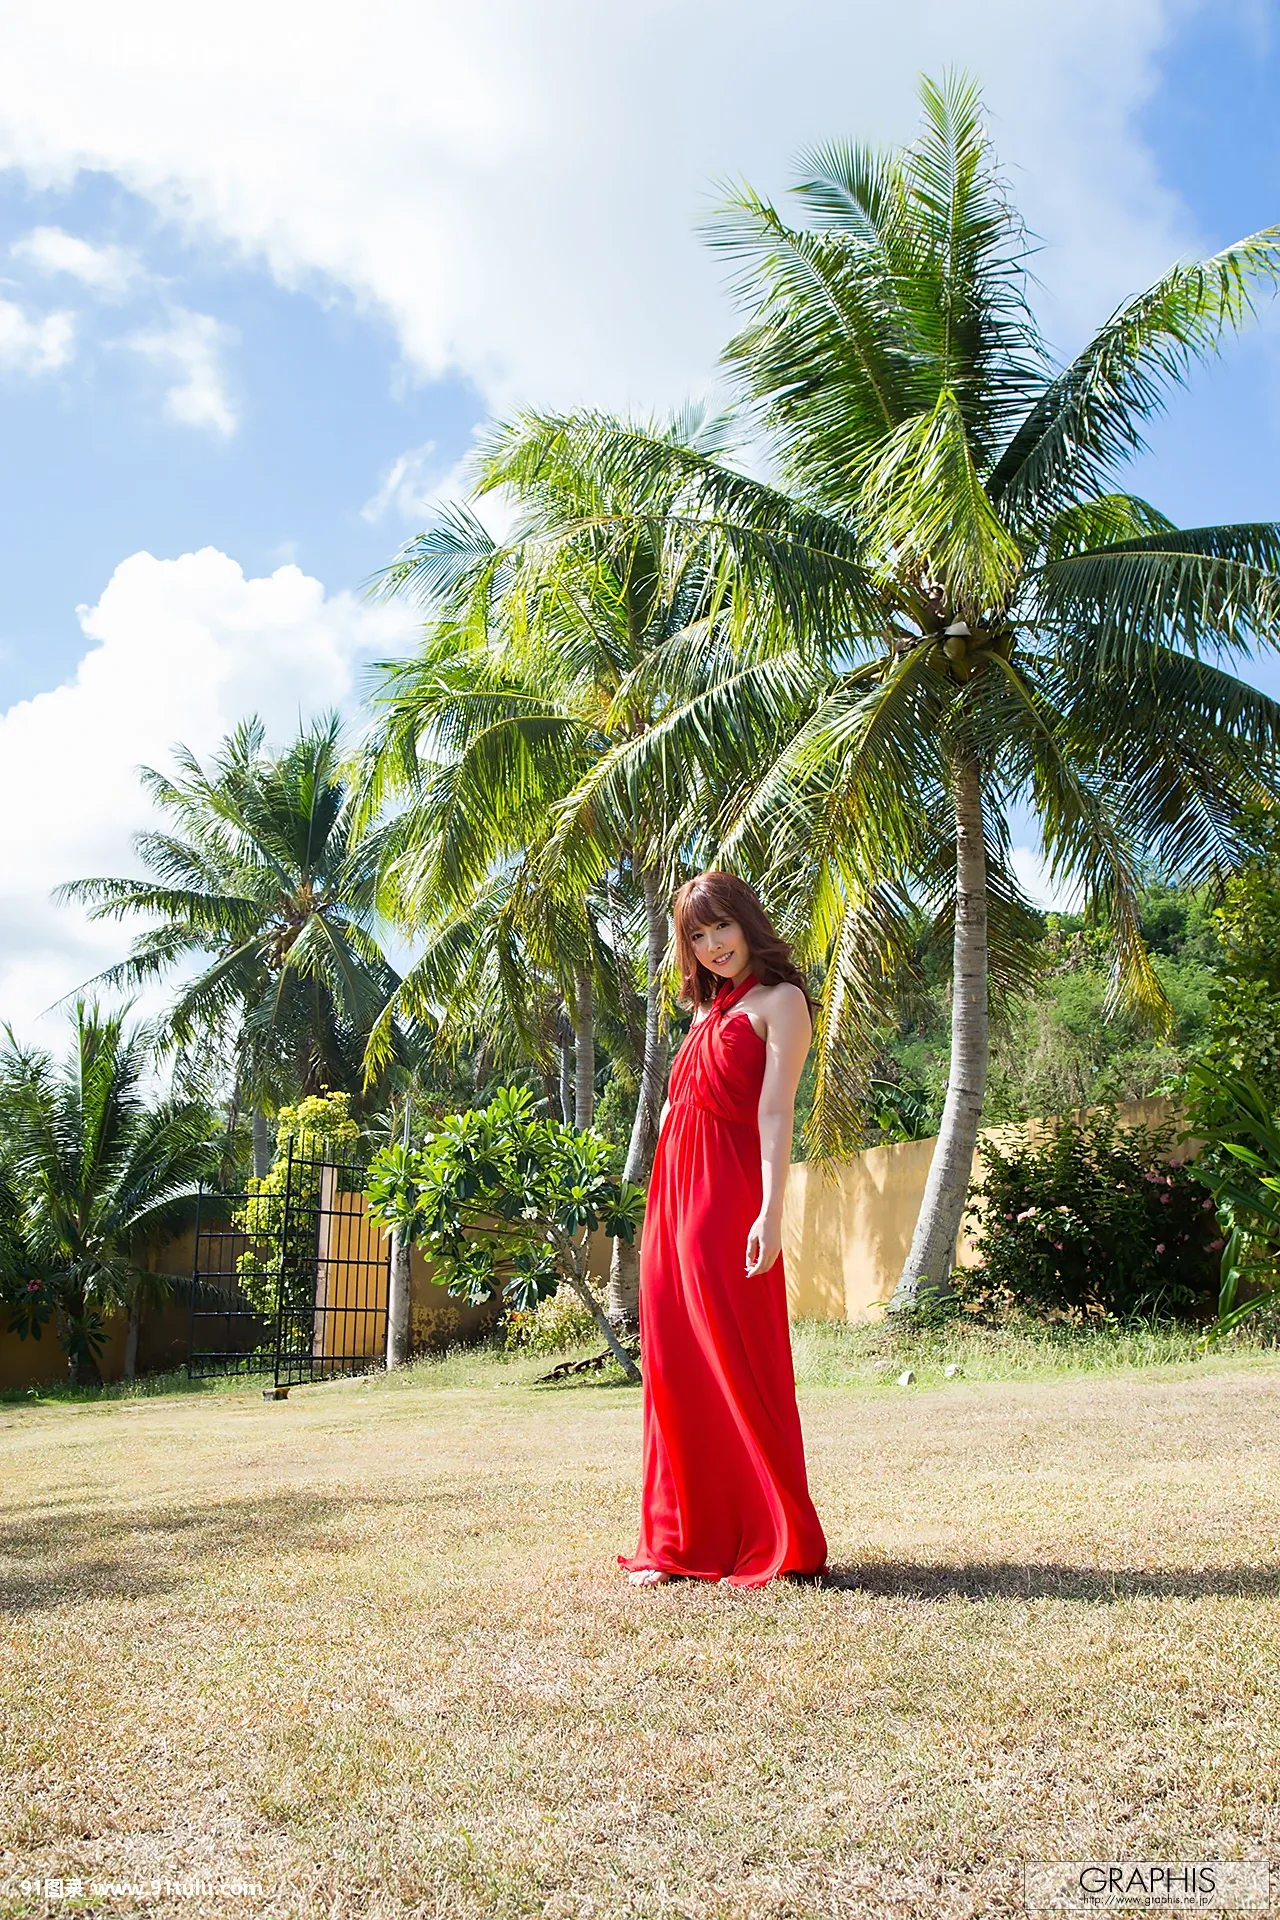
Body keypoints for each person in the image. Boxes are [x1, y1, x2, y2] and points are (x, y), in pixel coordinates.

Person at [618, 870, 829, 1589]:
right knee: (673, 1366)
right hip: (671, 1196)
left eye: (722, 927)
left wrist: (771, 1210)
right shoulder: (705, 1013)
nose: (713, 945)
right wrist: (658, 1195)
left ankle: (774, 1532)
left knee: (734, 1357)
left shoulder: (781, 1002)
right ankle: (678, 1540)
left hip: (724, 1194)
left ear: (748, 923)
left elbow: (776, 1112)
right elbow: (676, 1106)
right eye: (698, 935)